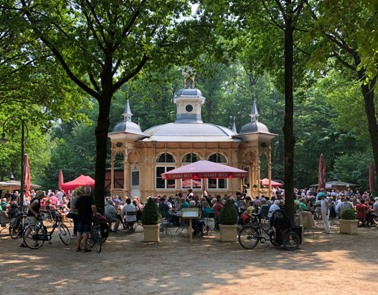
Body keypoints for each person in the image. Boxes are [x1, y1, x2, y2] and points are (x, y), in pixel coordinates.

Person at [75, 186, 97, 252]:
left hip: (80, 217)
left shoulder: (80, 198)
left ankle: (78, 247)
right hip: (87, 217)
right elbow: (93, 206)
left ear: (84, 192)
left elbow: (76, 209)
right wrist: (95, 213)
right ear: (89, 192)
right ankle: (84, 247)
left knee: (79, 232)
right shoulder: (90, 198)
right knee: (86, 233)